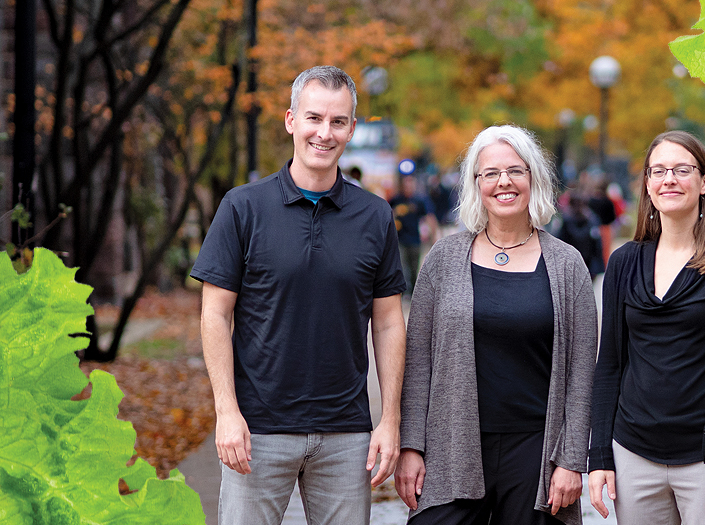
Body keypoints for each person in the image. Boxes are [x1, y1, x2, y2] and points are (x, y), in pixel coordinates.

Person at [191, 65, 407, 525]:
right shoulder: (243, 207)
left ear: (351, 128)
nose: (324, 133)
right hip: (257, 430)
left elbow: (389, 322)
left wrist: (389, 420)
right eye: (314, 118)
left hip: (347, 435)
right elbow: (214, 314)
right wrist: (226, 412)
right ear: (291, 120)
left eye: (337, 121)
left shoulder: (374, 216)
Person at [395, 125, 598, 525]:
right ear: (476, 184)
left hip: (536, 452)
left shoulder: (567, 265)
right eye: (490, 173)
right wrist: (411, 447)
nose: (503, 182)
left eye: (515, 171)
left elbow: (581, 374)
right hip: (452, 445)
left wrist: (572, 460)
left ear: (533, 178)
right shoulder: (444, 258)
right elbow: (418, 362)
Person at [588, 130, 705, 524]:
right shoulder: (624, 262)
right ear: (648, 186)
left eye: (681, 169)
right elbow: (610, 365)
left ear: (704, 183)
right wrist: (599, 455)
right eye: (658, 171)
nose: (669, 179)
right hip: (633, 456)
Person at [389, 174, 437, 294]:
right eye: (406, 184)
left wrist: (434, 236)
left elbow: (429, 217)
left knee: (414, 267)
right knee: (402, 266)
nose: (408, 187)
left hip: (415, 239)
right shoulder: (396, 199)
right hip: (400, 239)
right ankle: (404, 292)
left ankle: (413, 292)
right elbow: (387, 215)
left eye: (411, 184)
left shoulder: (419, 200)